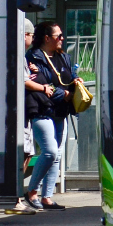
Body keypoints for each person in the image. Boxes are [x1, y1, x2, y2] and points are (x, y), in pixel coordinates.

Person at [14, 20, 77, 213]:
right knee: (49, 151)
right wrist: (63, 94)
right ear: (47, 38)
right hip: (42, 109)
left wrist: (75, 83)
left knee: (56, 155)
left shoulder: (63, 57)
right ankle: (32, 191)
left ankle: (47, 197)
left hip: (61, 111)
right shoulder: (33, 57)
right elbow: (40, 83)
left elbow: (67, 80)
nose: (62, 39)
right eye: (58, 36)